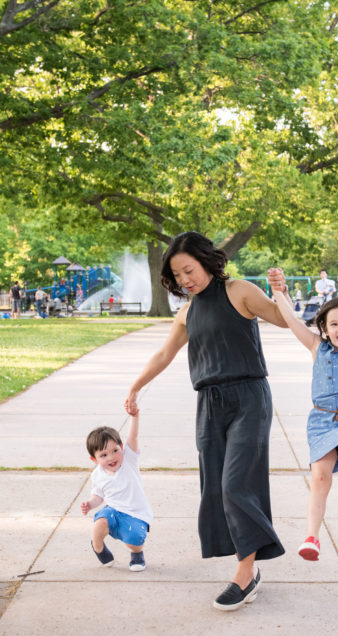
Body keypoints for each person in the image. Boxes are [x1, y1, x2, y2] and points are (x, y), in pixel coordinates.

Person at [124, 231, 289, 612]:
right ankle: (247, 566)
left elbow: (282, 319)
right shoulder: (187, 312)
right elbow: (165, 355)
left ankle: (246, 574)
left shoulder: (239, 291)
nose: (185, 279)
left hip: (249, 398)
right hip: (209, 405)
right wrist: (135, 387)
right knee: (216, 490)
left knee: (236, 486)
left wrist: (280, 291)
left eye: (189, 270)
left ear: (206, 261)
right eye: (178, 275)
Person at [267, 267, 338, 562]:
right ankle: (311, 537)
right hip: (321, 420)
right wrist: (278, 291)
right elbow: (292, 320)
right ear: (324, 327)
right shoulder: (316, 347)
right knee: (320, 476)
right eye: (334, 324)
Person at [81, 407, 153, 572]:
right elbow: (98, 495)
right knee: (99, 524)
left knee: (134, 541)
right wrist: (90, 504)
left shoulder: (129, 460)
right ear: (94, 459)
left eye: (115, 450)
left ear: (121, 447)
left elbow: (133, 436)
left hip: (136, 513)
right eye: (104, 455)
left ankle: (137, 554)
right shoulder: (98, 475)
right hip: (113, 511)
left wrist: (134, 417)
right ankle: (98, 547)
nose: (112, 457)